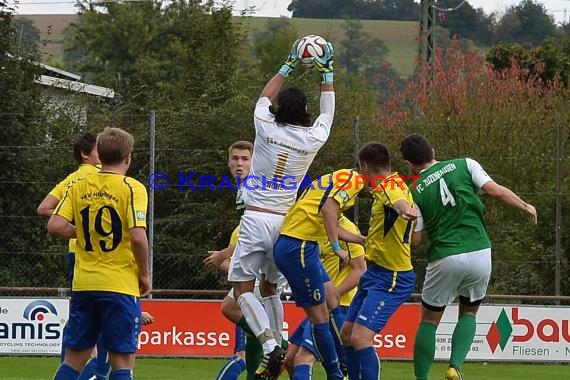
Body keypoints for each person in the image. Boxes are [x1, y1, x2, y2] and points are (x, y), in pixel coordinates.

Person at [228, 38, 335, 380]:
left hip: (256, 216)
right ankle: (282, 339)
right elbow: (328, 112)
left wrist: (288, 65)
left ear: (278, 110)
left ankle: (271, 345)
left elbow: (263, 97)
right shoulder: (313, 138)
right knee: (271, 287)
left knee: (243, 289)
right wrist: (327, 74)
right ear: (305, 112)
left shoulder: (265, 126)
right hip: (285, 225)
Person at [399, 133, 537, 380]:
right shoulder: (466, 164)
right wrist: (525, 205)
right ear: (433, 149)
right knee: (469, 312)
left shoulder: (413, 190)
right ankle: (455, 367)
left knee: (429, 321)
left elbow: (416, 240)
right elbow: (495, 191)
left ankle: (421, 378)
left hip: (445, 256)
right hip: (480, 251)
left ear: (408, 164)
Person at [48, 127, 150, 380]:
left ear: (100, 156)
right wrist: (144, 275)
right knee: (121, 362)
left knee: (73, 361)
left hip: (84, 285)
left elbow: (55, 225)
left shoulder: (79, 184)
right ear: (128, 157)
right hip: (119, 284)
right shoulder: (132, 188)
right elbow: (138, 237)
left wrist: (83, 232)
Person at [274, 168, 366, 380]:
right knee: (319, 320)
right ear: (368, 169)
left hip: (301, 244)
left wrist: (358, 239)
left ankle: (344, 366)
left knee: (332, 299)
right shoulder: (353, 180)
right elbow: (329, 210)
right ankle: (338, 373)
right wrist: (336, 247)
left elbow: (329, 218)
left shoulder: (332, 178)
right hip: (299, 246)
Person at [340, 142, 418, 380]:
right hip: (375, 273)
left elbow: (397, 202)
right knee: (347, 334)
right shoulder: (398, 183)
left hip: (393, 276)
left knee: (361, 338)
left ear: (365, 166)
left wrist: (406, 209)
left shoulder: (387, 186)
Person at [37, 132, 110, 380]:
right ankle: (95, 373)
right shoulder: (101, 176)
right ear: (86, 154)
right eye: (99, 150)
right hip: (96, 254)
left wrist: (73, 224)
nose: (104, 155)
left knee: (78, 317)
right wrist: (88, 227)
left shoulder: (70, 180)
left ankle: (66, 369)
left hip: (74, 254)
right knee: (101, 316)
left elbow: (44, 208)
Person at [203, 141, 261, 380]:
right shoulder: (244, 187)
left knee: (231, 308)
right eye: (235, 158)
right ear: (228, 162)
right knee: (251, 338)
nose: (239, 163)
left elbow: (256, 234)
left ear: (253, 162)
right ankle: (273, 344)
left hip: (261, 265)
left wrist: (222, 254)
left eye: (245, 159)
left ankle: (278, 343)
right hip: (256, 264)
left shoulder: (254, 186)